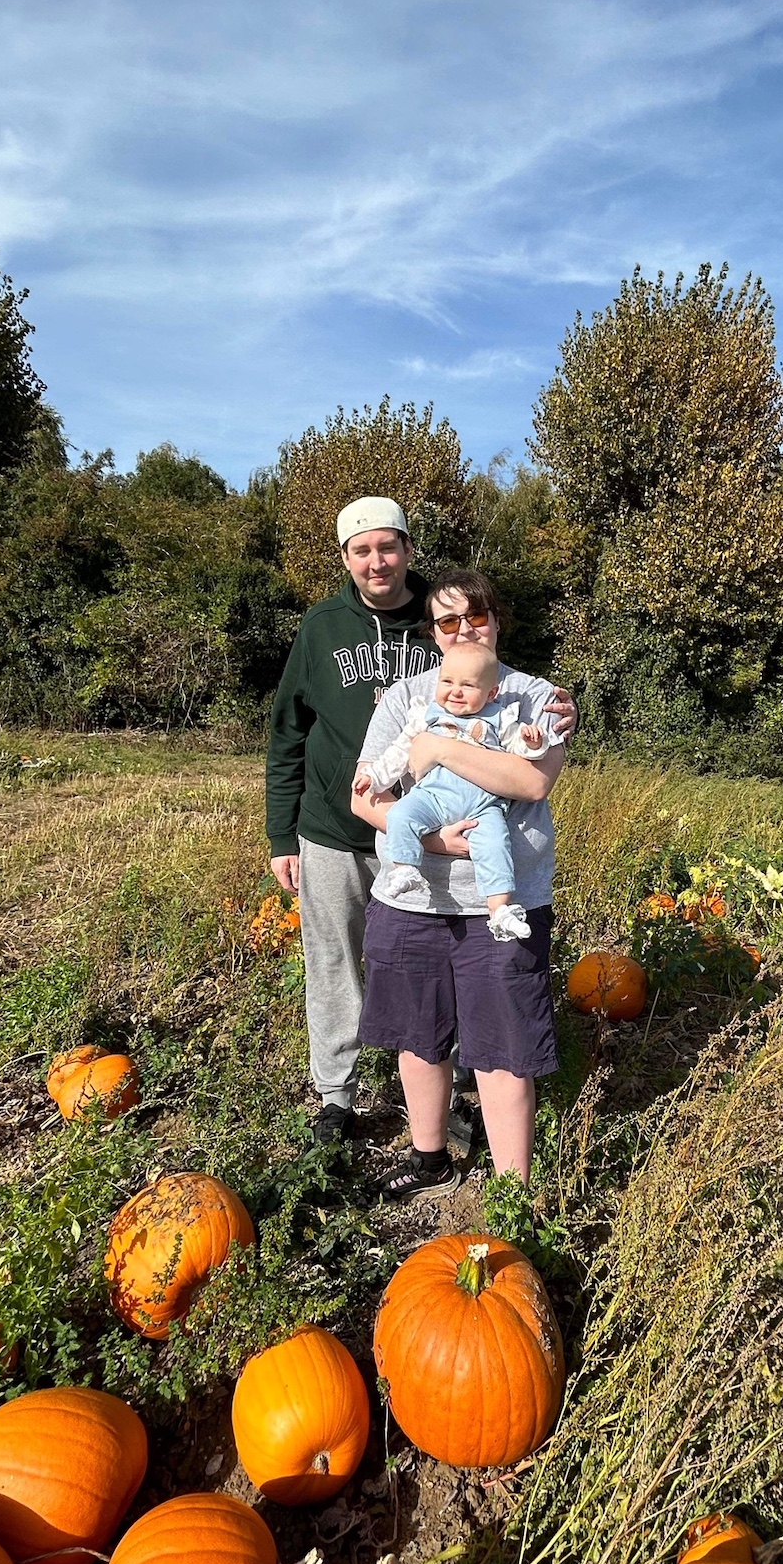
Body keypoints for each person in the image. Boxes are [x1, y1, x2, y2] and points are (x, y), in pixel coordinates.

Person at [265, 499, 575, 1147]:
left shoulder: (480, 655)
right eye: (361, 550)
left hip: (449, 844)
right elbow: (288, 732)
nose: (376, 561)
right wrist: (280, 831)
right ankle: (338, 1098)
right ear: (346, 558)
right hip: (341, 826)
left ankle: (466, 1102)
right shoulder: (326, 628)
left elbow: (532, 768)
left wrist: (456, 746)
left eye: (387, 547)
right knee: (344, 971)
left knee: (449, 987)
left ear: (407, 550)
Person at [350, 569, 566, 1201]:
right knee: (419, 1036)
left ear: (496, 621)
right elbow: (367, 796)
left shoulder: (535, 696)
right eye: (448, 621)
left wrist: (437, 750)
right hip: (412, 895)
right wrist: (430, 842)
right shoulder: (402, 698)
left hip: (505, 900)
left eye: (476, 616)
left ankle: (512, 1194)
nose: (464, 629)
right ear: (433, 633)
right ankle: (429, 1157)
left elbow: (532, 782)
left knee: (504, 1048)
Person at [356, 641, 544, 942]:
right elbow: (399, 752)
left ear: (491, 693)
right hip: (432, 796)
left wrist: (533, 743)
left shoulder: (502, 717)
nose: (455, 691)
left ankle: (500, 909)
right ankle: (405, 869)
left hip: (483, 806)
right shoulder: (426, 715)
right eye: (447, 682)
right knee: (402, 813)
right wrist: (374, 776)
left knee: (496, 844)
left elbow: (520, 754)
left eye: (468, 685)